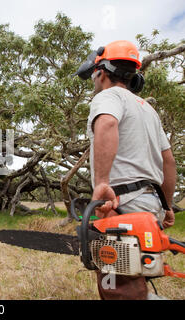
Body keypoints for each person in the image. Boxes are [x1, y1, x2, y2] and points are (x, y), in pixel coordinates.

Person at [77, 40, 177, 300]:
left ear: (100, 71)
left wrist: (101, 184)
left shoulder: (108, 97)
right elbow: (169, 162)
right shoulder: (148, 109)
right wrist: (166, 205)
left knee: (119, 289)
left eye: (94, 75)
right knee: (131, 280)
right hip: (149, 201)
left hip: (121, 202)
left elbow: (107, 124)